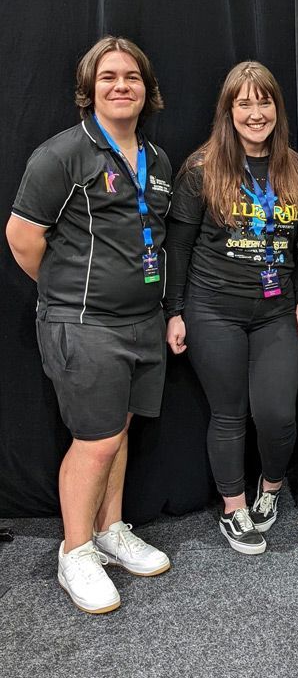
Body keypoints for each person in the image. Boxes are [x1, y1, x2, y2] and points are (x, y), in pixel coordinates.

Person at [6, 37, 172, 613]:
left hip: (142, 321)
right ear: (89, 88)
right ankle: (75, 551)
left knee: (117, 430)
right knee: (95, 439)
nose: (121, 85)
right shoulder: (62, 156)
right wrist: (68, 293)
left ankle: (110, 530)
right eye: (108, 77)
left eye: (132, 76)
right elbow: (23, 239)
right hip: (83, 323)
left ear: (147, 88)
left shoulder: (159, 161)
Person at [164, 61, 298, 555]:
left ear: (277, 108)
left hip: (275, 311)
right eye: (243, 102)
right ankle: (233, 508)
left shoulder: (296, 167)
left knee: (277, 416)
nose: (255, 112)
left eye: (264, 101)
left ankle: (270, 491)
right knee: (228, 414)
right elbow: (179, 246)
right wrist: (175, 310)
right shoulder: (201, 169)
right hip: (213, 310)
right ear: (228, 110)